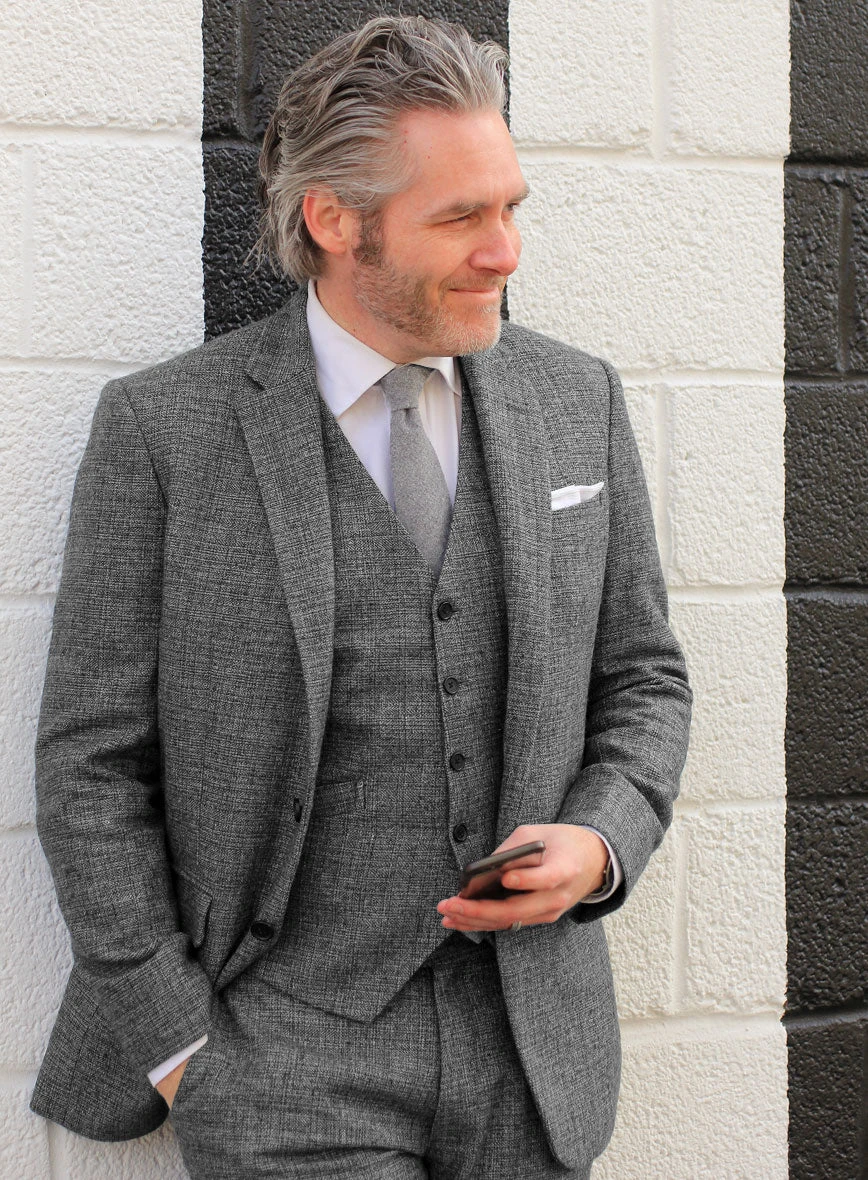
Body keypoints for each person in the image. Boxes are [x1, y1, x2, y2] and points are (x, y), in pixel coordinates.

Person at [30, 15, 691, 1179]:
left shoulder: (574, 400)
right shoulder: (166, 429)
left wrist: (602, 839)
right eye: (460, 217)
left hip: (533, 1053)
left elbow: (643, 675)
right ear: (335, 222)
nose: (504, 251)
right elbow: (91, 761)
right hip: (279, 1055)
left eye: (511, 207)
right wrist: (182, 1047)